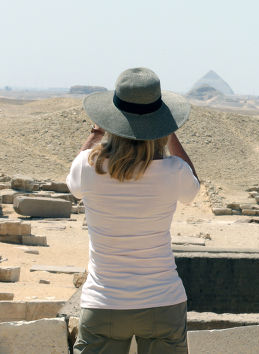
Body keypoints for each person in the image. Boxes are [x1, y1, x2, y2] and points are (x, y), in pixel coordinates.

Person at [67, 67, 200, 354]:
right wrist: (169, 132)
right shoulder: (173, 171)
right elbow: (194, 186)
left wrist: (95, 133)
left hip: (104, 303)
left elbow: (72, 183)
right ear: (160, 123)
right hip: (163, 300)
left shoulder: (88, 168)